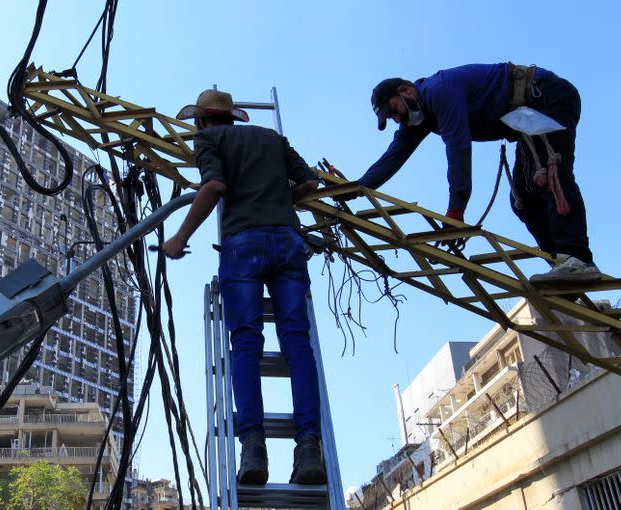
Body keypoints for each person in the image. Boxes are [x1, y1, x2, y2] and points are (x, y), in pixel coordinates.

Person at [161, 89, 325, 485]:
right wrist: (278, 198)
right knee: (296, 344)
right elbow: (311, 183)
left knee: (247, 344)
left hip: (244, 245)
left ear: (202, 120)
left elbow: (214, 187)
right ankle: (309, 448)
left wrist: (180, 237)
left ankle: (253, 447)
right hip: (288, 242)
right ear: (231, 116)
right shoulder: (273, 139)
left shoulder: (208, 140)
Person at [356, 63, 600, 283]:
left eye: (394, 110)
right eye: (392, 118)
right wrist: (359, 187)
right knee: (523, 200)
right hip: (526, 118)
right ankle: (561, 264)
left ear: (406, 91)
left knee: (550, 177)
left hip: (546, 97)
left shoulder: (439, 91)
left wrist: (455, 211)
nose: (398, 119)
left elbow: (459, 149)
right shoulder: (420, 118)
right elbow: (393, 157)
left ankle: (576, 258)